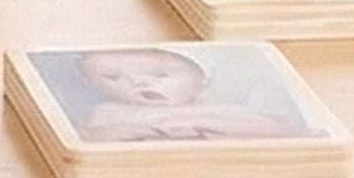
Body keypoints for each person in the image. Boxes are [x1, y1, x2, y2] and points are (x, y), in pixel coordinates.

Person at [55, 47, 302, 145]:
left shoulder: (220, 109)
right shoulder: (110, 112)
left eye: (160, 75)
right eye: (113, 78)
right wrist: (144, 130)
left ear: (201, 83)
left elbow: (285, 131)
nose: (138, 82)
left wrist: (198, 124)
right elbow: (86, 137)